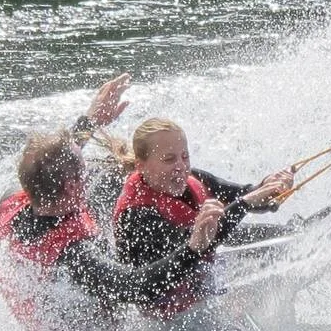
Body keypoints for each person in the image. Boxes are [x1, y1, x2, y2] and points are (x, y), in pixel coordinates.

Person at [0, 76, 227, 331]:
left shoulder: (17, 197)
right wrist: (193, 249)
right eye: (83, 169)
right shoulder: (75, 254)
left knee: (113, 177)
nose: (88, 173)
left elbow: (54, 161)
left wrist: (91, 121)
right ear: (72, 185)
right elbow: (137, 287)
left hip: (36, 300)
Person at [110, 118, 292, 318]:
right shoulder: (135, 214)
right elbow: (192, 244)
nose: (181, 166)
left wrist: (269, 187)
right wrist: (247, 202)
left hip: (203, 282)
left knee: (267, 237)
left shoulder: (192, 178)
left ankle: (294, 233)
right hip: (170, 317)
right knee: (233, 230)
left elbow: (242, 194)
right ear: (141, 166)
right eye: (169, 159)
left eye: (185, 156)